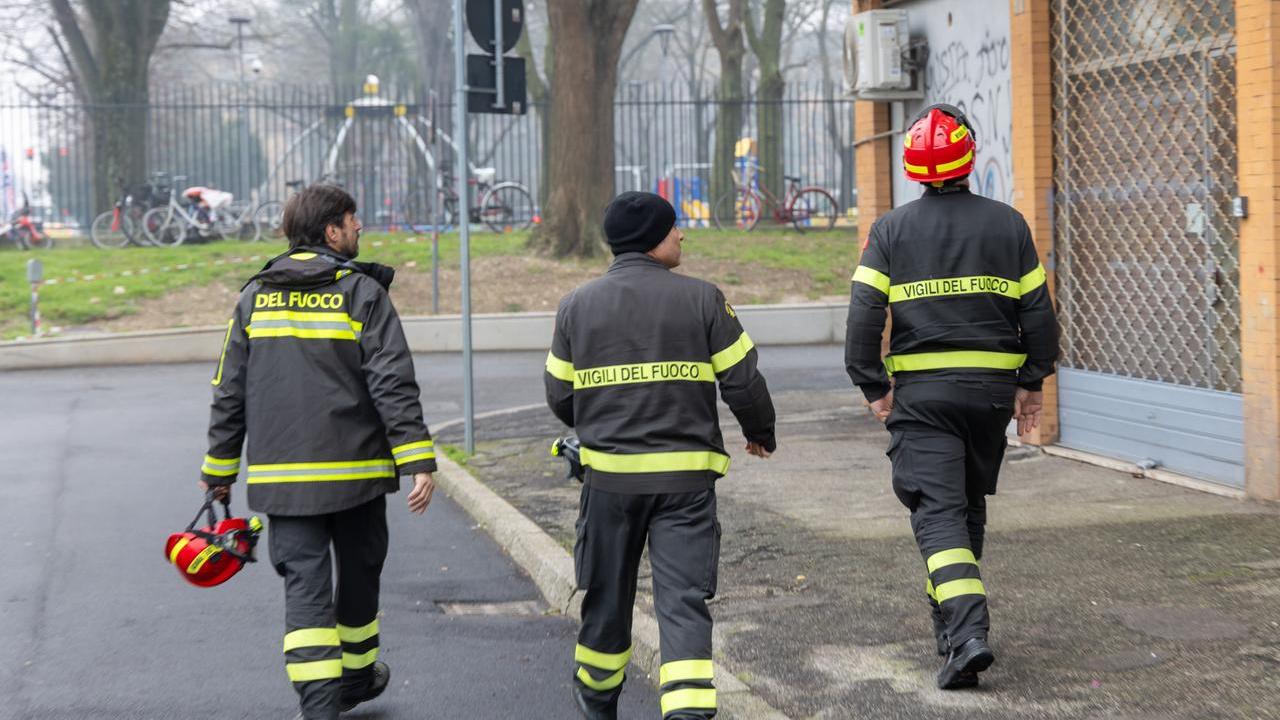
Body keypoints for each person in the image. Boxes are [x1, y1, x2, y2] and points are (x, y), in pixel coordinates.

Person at [197, 184, 438, 720]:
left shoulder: (254, 297)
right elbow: (393, 382)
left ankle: (320, 704)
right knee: (359, 575)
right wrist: (417, 459)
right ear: (331, 230)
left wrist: (218, 472)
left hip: (286, 483)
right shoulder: (361, 294)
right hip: (357, 477)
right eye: (353, 221)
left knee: (305, 591)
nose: (360, 230)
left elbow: (228, 389)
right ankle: (355, 678)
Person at [844, 104, 1059, 689]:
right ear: (968, 158)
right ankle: (952, 633)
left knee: (939, 514)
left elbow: (864, 315)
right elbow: (1038, 314)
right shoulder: (1009, 224)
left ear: (913, 167)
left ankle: (967, 634)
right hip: (989, 398)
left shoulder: (890, 230)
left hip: (925, 398)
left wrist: (871, 383)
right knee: (964, 507)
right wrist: (1031, 383)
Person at [545, 191, 777, 720]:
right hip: (685, 487)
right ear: (653, 238)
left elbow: (560, 396)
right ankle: (689, 711)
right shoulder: (702, 299)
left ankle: (597, 698)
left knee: (606, 597)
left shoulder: (577, 304)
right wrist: (761, 431)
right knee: (682, 601)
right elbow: (743, 381)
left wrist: (602, 421)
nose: (682, 236)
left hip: (608, 486)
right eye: (675, 228)